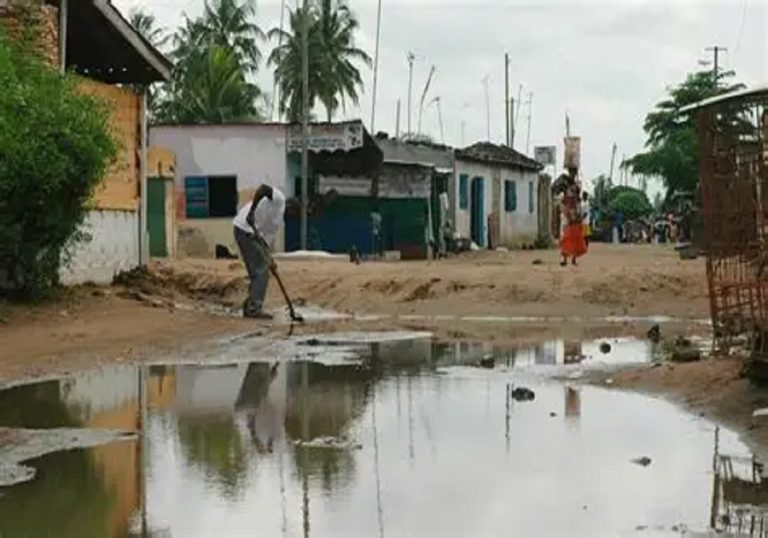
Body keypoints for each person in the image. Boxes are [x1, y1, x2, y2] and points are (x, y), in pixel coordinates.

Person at [233, 184, 286, 319]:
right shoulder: (280, 199)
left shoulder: (277, 224)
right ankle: (254, 308)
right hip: (243, 228)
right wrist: (252, 211)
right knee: (261, 269)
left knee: (258, 270)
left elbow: (263, 242)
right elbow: (263, 189)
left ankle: (250, 305)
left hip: (249, 233)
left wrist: (271, 260)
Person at [559, 170, 587, 266]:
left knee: (575, 237)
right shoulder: (566, 193)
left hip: (574, 217)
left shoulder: (576, 194)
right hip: (567, 217)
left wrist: (578, 216)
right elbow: (562, 206)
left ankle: (572, 259)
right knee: (566, 237)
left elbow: (578, 205)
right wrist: (566, 213)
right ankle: (564, 258)